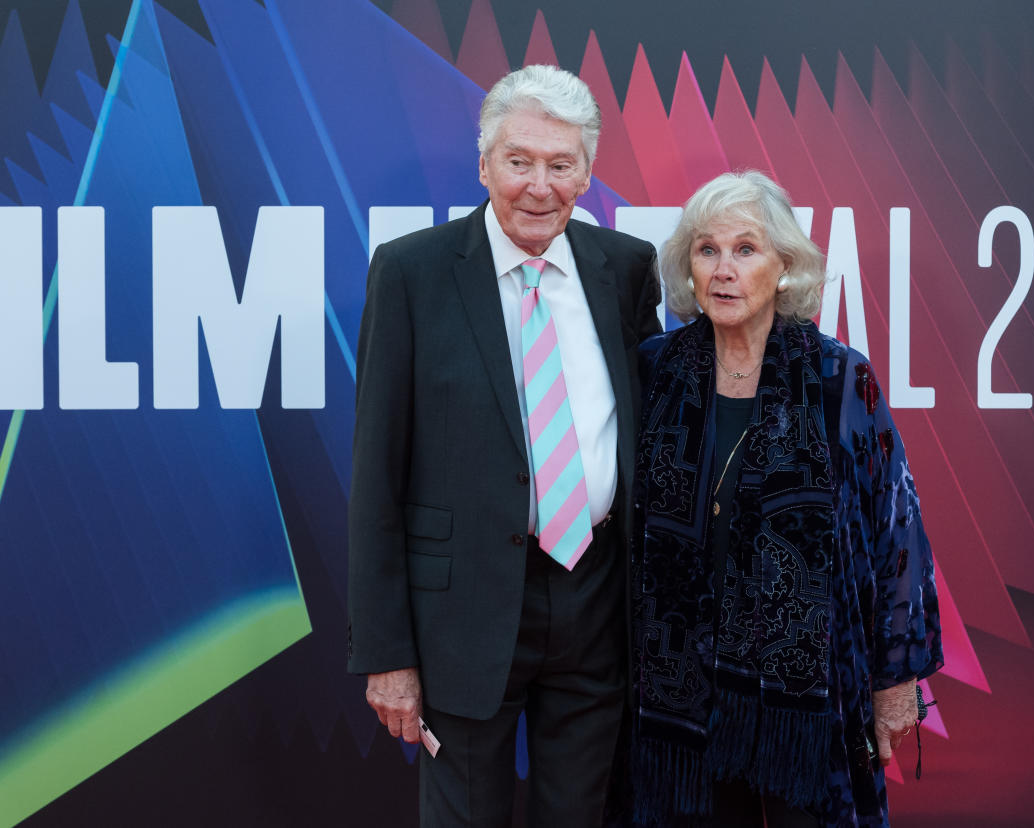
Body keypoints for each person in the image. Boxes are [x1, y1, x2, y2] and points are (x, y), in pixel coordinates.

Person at [347, 64, 661, 827]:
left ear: (587, 173)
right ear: (484, 163)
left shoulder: (623, 270)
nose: (539, 186)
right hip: (460, 614)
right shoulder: (412, 272)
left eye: (561, 164)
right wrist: (387, 654)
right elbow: (376, 475)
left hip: (595, 600)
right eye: (519, 161)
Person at [629, 171, 942, 826]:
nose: (723, 269)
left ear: (786, 266)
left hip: (810, 692)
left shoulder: (836, 376)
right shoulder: (656, 370)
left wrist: (897, 679)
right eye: (707, 249)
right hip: (679, 688)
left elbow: (896, 530)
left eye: (746, 249)